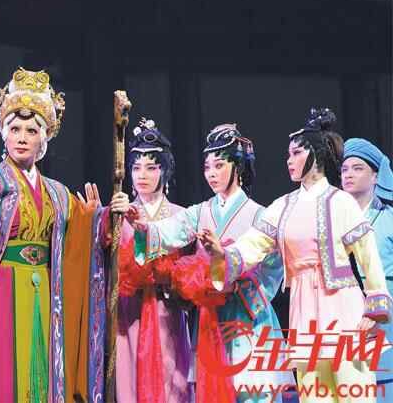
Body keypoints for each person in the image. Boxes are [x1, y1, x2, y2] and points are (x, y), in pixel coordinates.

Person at [0, 68, 108, 403]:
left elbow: (81, 244)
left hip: (46, 297)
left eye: (32, 130)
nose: (22, 137)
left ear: (44, 139)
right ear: (3, 134)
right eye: (14, 129)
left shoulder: (58, 194)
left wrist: (97, 220)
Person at [196, 109, 392, 403]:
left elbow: (368, 256)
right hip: (303, 306)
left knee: (353, 388)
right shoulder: (282, 206)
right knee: (314, 391)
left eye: (297, 153)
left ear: (316, 155)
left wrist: (374, 306)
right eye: (288, 154)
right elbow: (253, 245)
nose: (289, 160)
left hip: (342, 304)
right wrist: (221, 253)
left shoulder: (341, 201)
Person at [118, 123, 292, 402]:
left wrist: (240, 284)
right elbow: (169, 231)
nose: (211, 173)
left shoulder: (261, 214)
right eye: (207, 167)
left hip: (248, 314)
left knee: (253, 392)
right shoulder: (200, 212)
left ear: (238, 167)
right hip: (211, 319)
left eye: (219, 165)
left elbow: (274, 264)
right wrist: (142, 228)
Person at [107, 118, 191, 402]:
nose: (142, 174)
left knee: (172, 380)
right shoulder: (119, 215)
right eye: (136, 167)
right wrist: (98, 219)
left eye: (151, 167)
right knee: (129, 381)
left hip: (168, 310)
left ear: (164, 171)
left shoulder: (181, 216)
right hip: (130, 313)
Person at [342, 138, 393, 403]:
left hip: (386, 316)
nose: (348, 174)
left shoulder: (389, 218)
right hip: (344, 314)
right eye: (344, 169)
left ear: (375, 176)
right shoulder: (332, 219)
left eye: (358, 168)